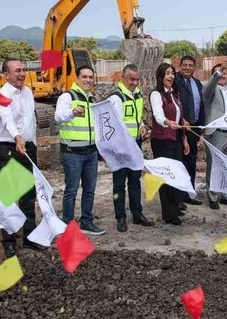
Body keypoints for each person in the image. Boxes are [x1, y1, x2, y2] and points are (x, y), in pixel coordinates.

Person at [0, 58, 46, 257]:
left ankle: (30, 235)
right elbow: (7, 119)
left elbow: (30, 121)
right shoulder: (0, 96)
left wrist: (32, 143)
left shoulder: (28, 92)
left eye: (23, 70)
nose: (22, 74)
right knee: (8, 197)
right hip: (9, 149)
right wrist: (17, 138)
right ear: (6, 75)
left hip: (28, 148)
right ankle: (9, 241)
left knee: (29, 196)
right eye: (17, 71)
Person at [54, 65, 105, 235]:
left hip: (90, 152)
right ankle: (67, 224)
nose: (88, 80)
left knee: (89, 190)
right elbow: (58, 116)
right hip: (72, 152)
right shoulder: (67, 97)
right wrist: (71, 112)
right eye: (84, 77)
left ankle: (86, 222)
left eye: (91, 77)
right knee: (71, 190)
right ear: (77, 78)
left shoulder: (91, 99)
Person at [107, 64, 155, 232]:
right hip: (120, 148)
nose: (135, 83)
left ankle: (137, 214)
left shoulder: (137, 95)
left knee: (135, 182)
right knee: (119, 184)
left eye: (137, 79)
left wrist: (142, 127)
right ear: (123, 78)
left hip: (135, 144)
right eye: (131, 79)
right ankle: (120, 217)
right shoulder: (116, 98)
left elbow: (136, 118)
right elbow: (118, 124)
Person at [150, 63, 190, 225]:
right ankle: (168, 213)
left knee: (176, 174)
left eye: (172, 73)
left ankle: (174, 206)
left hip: (176, 139)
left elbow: (180, 117)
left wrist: (184, 138)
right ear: (160, 76)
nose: (171, 76)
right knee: (165, 177)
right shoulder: (156, 94)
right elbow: (158, 115)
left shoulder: (174, 94)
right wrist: (167, 121)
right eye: (167, 73)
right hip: (162, 140)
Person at [203, 62, 227, 209]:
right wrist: (216, 74)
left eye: (225, 73)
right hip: (216, 133)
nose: (223, 75)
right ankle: (212, 196)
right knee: (214, 165)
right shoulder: (211, 89)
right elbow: (208, 89)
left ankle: (224, 194)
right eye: (219, 73)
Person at [173, 55, 204, 206]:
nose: (187, 67)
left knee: (191, 161)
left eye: (190, 65)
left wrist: (201, 127)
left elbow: (201, 105)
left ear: (194, 67)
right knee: (180, 162)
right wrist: (181, 120)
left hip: (194, 128)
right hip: (179, 129)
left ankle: (189, 194)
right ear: (180, 66)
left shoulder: (197, 83)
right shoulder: (175, 82)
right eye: (184, 65)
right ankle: (178, 197)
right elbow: (174, 104)